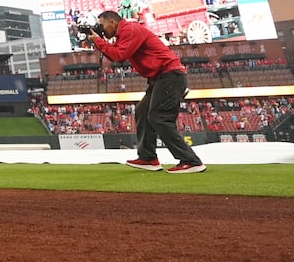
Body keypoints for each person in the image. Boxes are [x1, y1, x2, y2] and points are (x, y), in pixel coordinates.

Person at [85, 10, 206, 174]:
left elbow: (119, 55)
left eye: (103, 24)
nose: (102, 28)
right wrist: (99, 40)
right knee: (143, 110)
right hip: (162, 78)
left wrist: (99, 41)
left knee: (159, 117)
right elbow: (115, 52)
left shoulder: (129, 29)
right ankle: (148, 158)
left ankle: (191, 161)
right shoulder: (125, 34)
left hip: (169, 75)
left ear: (113, 22)